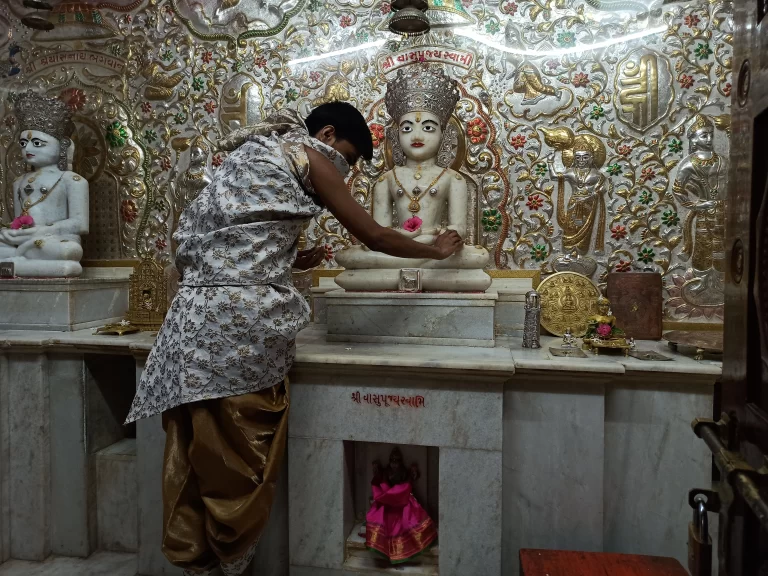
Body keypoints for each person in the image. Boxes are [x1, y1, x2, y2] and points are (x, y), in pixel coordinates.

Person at [124, 101, 463, 576]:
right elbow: (375, 236)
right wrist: (436, 248)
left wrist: (289, 259)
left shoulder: (250, 152)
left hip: (189, 319)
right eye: (345, 157)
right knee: (238, 451)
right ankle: (232, 551)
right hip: (238, 324)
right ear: (325, 135)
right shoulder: (310, 155)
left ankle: (199, 559)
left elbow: (229, 235)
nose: (342, 172)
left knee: (196, 443)